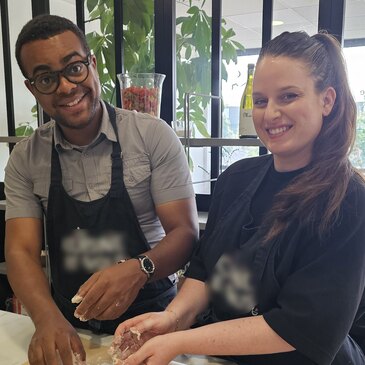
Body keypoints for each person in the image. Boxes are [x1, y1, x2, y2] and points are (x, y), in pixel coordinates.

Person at [114, 31, 365, 365]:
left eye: (288, 96)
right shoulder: (236, 178)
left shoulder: (346, 200)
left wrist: (178, 341)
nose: (270, 113)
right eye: (260, 101)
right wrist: (171, 319)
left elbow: (304, 329)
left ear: (327, 100)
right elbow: (206, 271)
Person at [4, 14, 198, 365]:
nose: (65, 87)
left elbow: (185, 232)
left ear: (91, 64)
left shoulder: (152, 135)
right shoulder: (26, 157)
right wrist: (47, 319)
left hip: (152, 322)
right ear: (32, 88)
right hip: (69, 325)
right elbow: (20, 251)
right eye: (47, 78)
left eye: (74, 68)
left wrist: (140, 268)